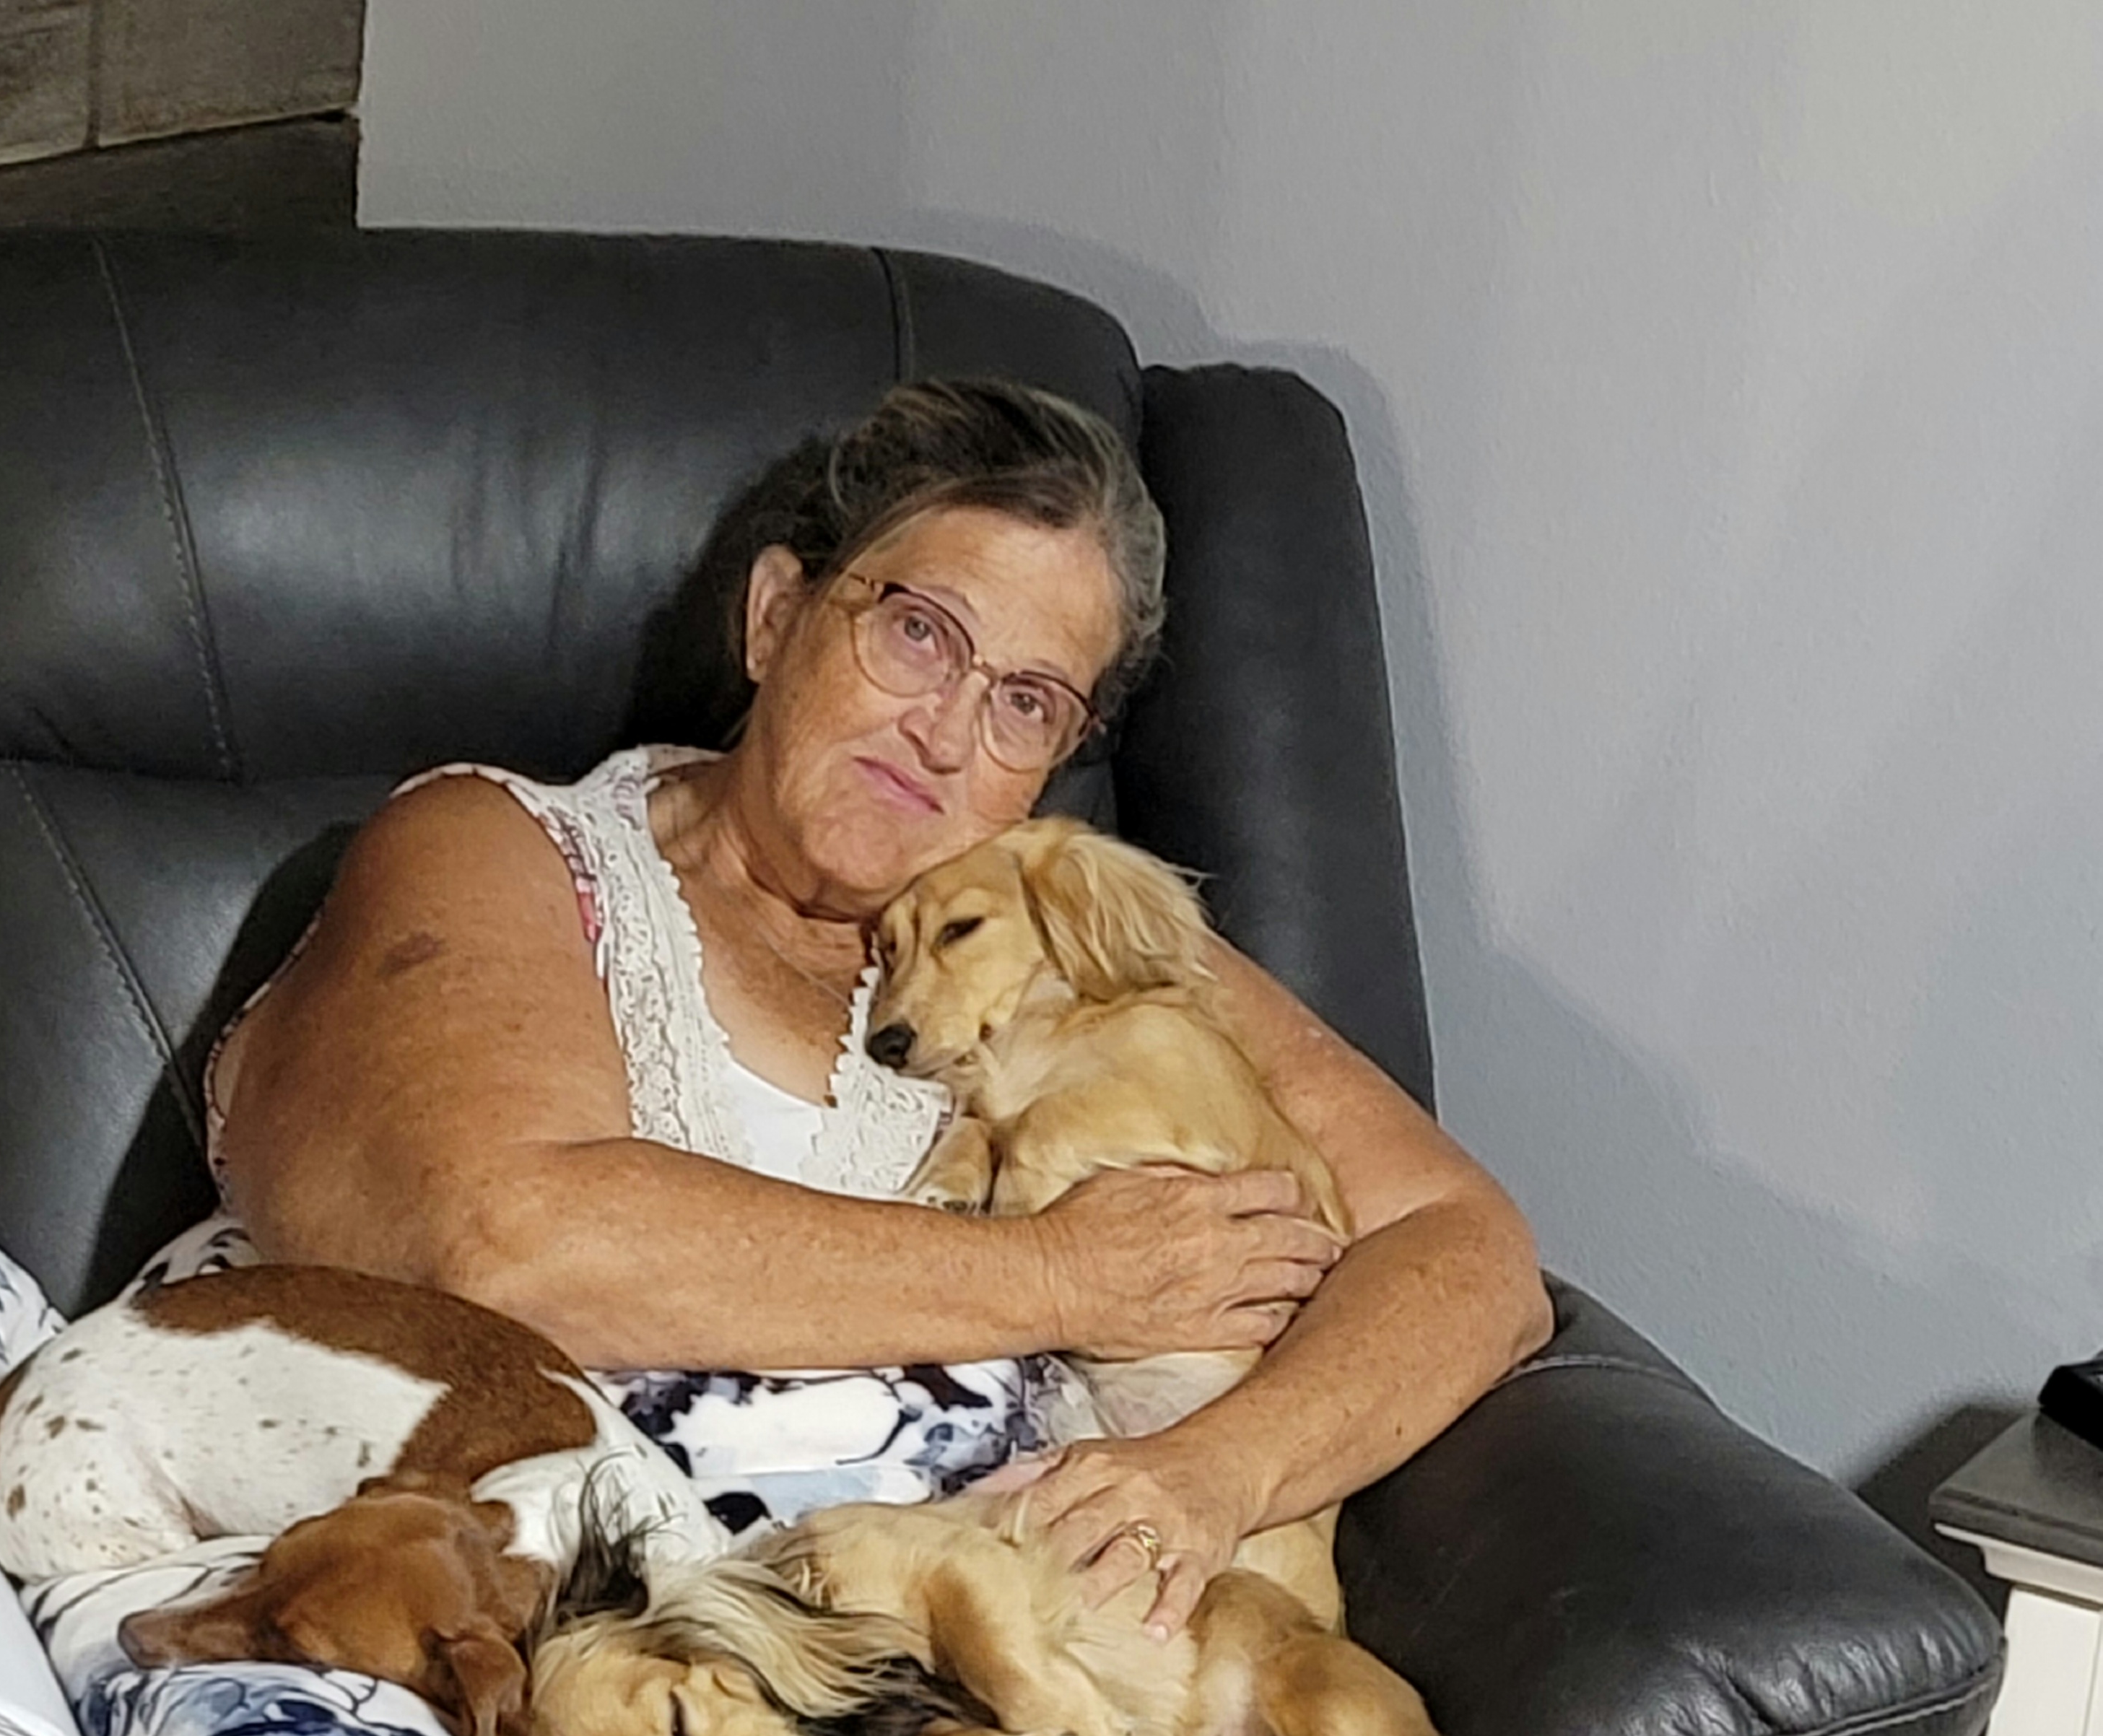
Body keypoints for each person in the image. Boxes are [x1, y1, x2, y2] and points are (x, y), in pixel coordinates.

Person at [210, 379, 1551, 1636]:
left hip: (956, 1667)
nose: (947, 733)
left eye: (1025, 702)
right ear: (774, 618)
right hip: (469, 1624)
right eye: (919, 633)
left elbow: (1472, 1255)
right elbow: (498, 1242)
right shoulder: (503, 850)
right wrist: (1066, 1275)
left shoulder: (1067, 932)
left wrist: (1217, 1472)